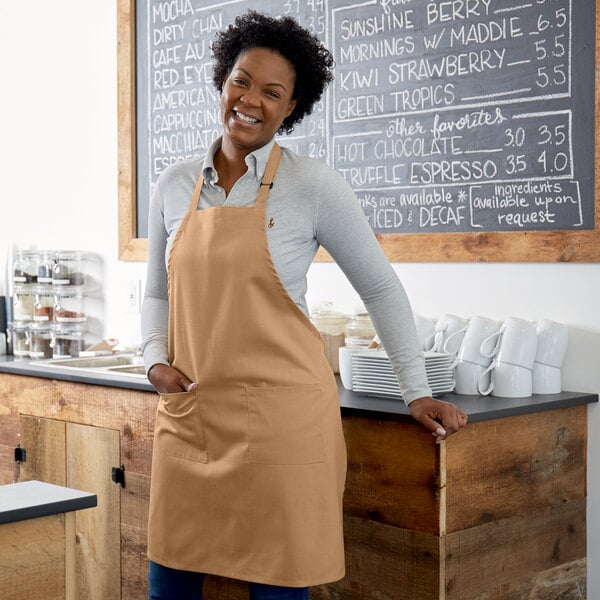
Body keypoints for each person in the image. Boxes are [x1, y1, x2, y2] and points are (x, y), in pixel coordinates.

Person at [141, 10, 467, 600]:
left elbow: (381, 288)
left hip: (283, 427)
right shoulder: (173, 184)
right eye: (242, 80)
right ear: (223, 82)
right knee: (169, 581)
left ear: (291, 108)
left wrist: (415, 389)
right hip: (195, 416)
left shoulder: (313, 185)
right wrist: (152, 361)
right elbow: (157, 292)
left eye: (272, 92)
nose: (250, 100)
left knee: (279, 587)